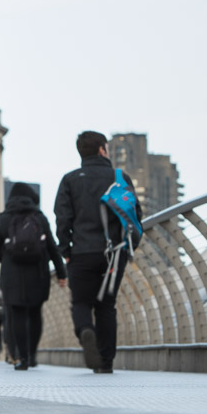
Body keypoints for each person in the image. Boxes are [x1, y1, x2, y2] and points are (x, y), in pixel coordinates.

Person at [54, 130, 138, 374]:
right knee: (106, 306)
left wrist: (65, 249)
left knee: (81, 302)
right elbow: (136, 215)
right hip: (114, 252)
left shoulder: (70, 180)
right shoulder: (120, 177)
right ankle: (106, 362)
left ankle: (85, 331)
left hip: (80, 252)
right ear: (102, 150)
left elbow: (62, 218)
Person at [0, 182, 66, 371]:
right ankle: (32, 354)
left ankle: (22, 358)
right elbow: (53, 248)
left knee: (18, 314)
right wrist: (61, 273)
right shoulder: (39, 217)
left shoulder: (5, 218)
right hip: (38, 272)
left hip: (12, 274)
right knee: (35, 313)